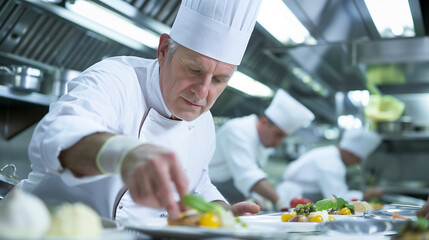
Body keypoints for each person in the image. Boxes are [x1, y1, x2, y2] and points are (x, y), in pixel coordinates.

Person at [18, 0, 263, 222]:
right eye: (193, 70)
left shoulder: (203, 122)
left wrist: (220, 211)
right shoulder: (115, 79)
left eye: (219, 79)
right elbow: (52, 139)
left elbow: (198, 182)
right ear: (164, 50)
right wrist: (125, 153)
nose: (202, 91)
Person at [209, 89, 315, 209]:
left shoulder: (261, 141)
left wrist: (259, 197)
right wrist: (279, 201)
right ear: (265, 122)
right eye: (278, 135)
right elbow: (248, 175)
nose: (278, 143)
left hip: (233, 197)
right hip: (213, 195)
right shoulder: (237, 130)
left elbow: (253, 174)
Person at [276, 128, 384, 207]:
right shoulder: (331, 163)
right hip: (293, 201)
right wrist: (366, 195)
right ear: (350, 153)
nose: (356, 164)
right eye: (357, 160)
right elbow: (338, 199)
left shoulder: (329, 154)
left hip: (299, 199)